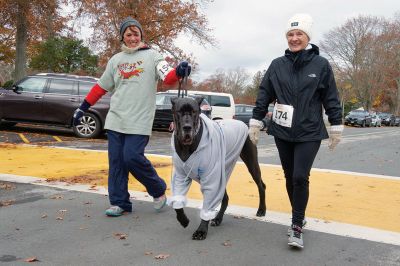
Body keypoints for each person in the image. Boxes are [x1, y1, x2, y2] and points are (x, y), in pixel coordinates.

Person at [73, 17, 192, 217]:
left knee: (132, 157)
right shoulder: (116, 60)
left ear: (141, 36)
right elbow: (100, 87)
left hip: (139, 119)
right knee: (117, 162)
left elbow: (168, 76)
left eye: (136, 34)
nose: (132, 38)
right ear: (123, 37)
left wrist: (179, 72)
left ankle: (157, 189)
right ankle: (120, 202)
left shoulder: (153, 56)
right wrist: (83, 108)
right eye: (128, 34)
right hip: (116, 118)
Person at [248, 13, 343, 249]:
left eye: (299, 33)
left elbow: (331, 97)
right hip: (282, 130)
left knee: (301, 176)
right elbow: (264, 94)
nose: (294, 38)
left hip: (309, 131)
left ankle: (296, 225)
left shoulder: (320, 65)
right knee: (290, 177)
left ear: (307, 36)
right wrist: (256, 120)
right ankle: (298, 213)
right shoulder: (277, 65)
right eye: (290, 34)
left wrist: (336, 125)